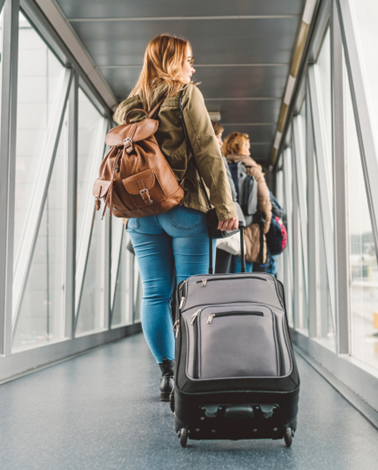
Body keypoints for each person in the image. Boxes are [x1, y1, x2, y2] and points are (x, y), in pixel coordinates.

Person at [113, 34, 238, 401]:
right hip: (183, 208)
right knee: (191, 295)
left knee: (154, 294)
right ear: (172, 62)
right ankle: (190, 372)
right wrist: (225, 207)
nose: (192, 68)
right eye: (188, 60)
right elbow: (207, 153)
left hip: (139, 213)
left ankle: (167, 372)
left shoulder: (127, 107)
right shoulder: (186, 95)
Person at [223, 133, 272, 273]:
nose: (249, 152)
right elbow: (264, 202)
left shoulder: (221, 165)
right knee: (243, 277)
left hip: (224, 230)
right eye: (247, 148)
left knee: (221, 277)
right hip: (249, 231)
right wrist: (264, 228)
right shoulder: (253, 168)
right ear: (240, 148)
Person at [211, 120, 240, 274]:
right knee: (218, 279)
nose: (221, 143)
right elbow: (231, 193)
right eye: (219, 137)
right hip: (218, 226)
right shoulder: (217, 159)